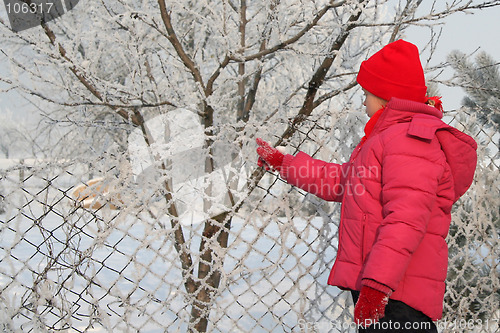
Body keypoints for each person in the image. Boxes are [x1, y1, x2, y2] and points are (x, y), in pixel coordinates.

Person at [256, 40, 477, 332]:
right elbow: (342, 181)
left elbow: (406, 220)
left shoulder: (411, 141)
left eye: (366, 94)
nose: (363, 102)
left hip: (397, 295)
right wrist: (285, 164)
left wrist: (377, 285)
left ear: (386, 97)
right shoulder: (389, 139)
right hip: (385, 287)